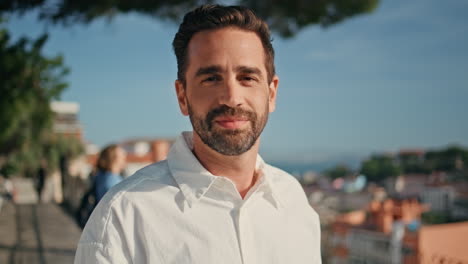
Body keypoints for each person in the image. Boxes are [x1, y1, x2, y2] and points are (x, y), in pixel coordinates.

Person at [75, 4, 321, 264]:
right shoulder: (124, 215)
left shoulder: (294, 202)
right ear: (182, 96)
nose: (232, 98)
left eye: (247, 77)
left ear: (271, 94)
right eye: (211, 78)